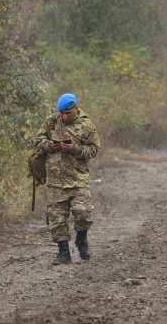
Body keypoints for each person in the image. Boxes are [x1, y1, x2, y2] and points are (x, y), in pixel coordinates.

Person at [34, 93, 101, 265]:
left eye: (68, 113)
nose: (64, 116)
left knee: (83, 214)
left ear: (76, 109)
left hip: (78, 178)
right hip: (55, 180)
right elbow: (38, 140)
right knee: (57, 218)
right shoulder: (51, 122)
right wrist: (49, 145)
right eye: (61, 113)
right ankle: (63, 253)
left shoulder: (86, 125)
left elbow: (94, 149)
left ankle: (81, 240)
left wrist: (75, 148)